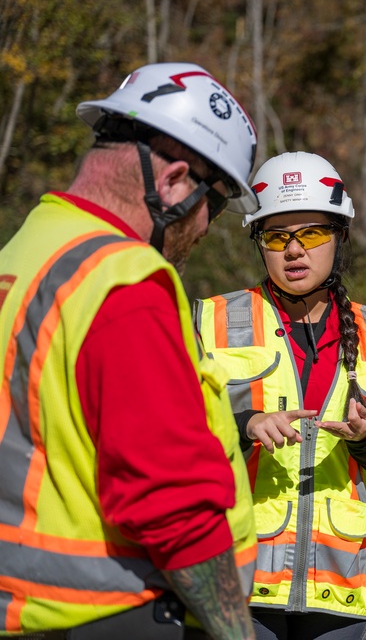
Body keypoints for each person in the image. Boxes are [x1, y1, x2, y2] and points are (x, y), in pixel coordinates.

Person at [0, 62, 259, 639]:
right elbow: (172, 502)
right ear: (172, 183)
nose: (206, 228)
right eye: (213, 205)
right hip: (110, 613)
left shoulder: (28, 252)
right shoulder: (123, 282)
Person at [194, 151, 366, 640]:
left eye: (311, 233)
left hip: (346, 583)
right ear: (259, 243)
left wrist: (365, 438)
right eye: (276, 236)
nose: (294, 250)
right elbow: (174, 433)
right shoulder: (210, 322)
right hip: (240, 581)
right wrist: (244, 425)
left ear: (340, 237)